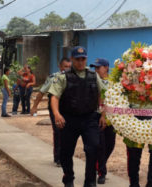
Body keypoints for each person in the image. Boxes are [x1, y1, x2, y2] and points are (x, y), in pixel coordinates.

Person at [48, 46, 106, 187]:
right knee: (66, 152)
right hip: (69, 119)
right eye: (77, 59)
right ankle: (68, 179)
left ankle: (90, 181)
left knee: (93, 148)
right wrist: (56, 114)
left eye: (83, 59)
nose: (80, 62)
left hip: (90, 118)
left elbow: (102, 94)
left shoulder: (94, 76)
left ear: (86, 59)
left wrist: (103, 114)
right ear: (72, 59)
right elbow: (54, 97)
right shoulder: (63, 77)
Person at [30, 57, 71, 166]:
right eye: (65, 67)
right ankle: (58, 158)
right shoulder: (54, 78)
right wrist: (34, 107)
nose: (67, 69)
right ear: (60, 66)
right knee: (58, 131)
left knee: (68, 132)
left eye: (69, 67)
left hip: (69, 107)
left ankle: (65, 156)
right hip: (55, 107)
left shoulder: (73, 77)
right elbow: (42, 92)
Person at [90, 58, 116, 185]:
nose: (95, 70)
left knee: (110, 145)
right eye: (94, 68)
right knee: (101, 146)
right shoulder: (93, 81)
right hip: (97, 116)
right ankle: (102, 173)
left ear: (106, 67)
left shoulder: (114, 82)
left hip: (112, 118)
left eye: (98, 67)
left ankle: (98, 164)